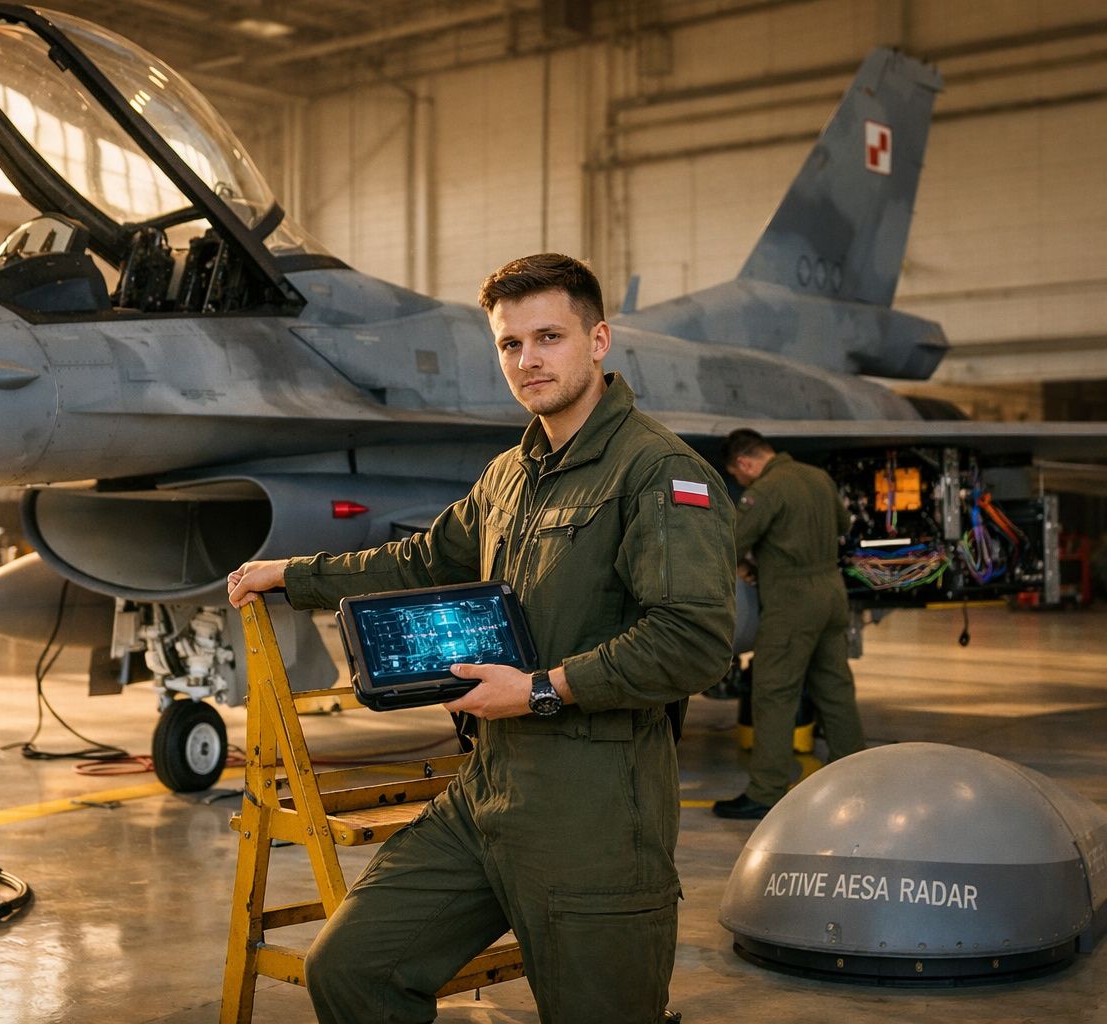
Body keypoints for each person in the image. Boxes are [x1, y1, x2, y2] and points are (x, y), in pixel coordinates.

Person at [229, 253, 736, 1024]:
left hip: (595, 810)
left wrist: (539, 689)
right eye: (509, 344)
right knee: (352, 969)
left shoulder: (659, 472)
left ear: (598, 342)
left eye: (548, 337)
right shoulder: (510, 474)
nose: (527, 361)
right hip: (487, 793)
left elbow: (693, 642)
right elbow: (421, 560)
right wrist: (294, 574)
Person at [712, 429, 866, 820]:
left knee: (774, 691)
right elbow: (844, 524)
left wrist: (746, 564)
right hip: (832, 594)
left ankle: (766, 790)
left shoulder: (765, 491)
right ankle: (860, 776)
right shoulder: (817, 476)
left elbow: (731, 540)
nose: (741, 481)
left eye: (738, 475)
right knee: (834, 686)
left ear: (744, 463)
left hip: (792, 601)